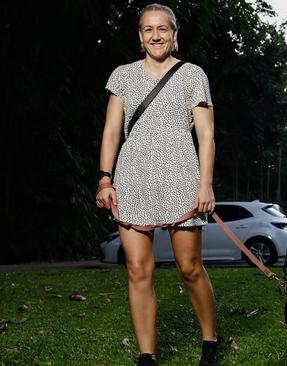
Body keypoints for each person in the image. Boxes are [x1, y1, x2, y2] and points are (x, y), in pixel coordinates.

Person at [96, 4, 218, 365]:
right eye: (148, 29)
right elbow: (111, 132)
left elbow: (207, 136)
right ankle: (147, 354)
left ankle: (209, 340)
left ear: (175, 34)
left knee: (189, 266)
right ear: (139, 36)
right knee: (137, 269)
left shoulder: (193, 74)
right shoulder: (122, 75)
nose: (156, 36)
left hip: (181, 173)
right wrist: (105, 178)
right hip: (133, 175)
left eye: (163, 29)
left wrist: (206, 185)